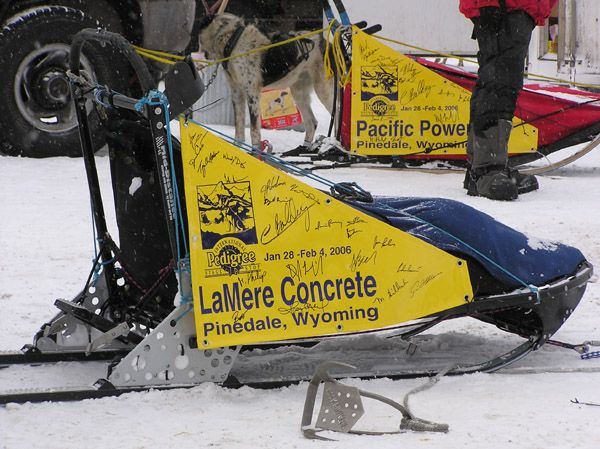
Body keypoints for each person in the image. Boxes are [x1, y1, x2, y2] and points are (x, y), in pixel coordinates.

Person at [459, 0, 558, 200]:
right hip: (505, 6)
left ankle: (480, 168)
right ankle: (487, 169)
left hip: (514, 6)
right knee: (500, 82)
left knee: (496, 79)